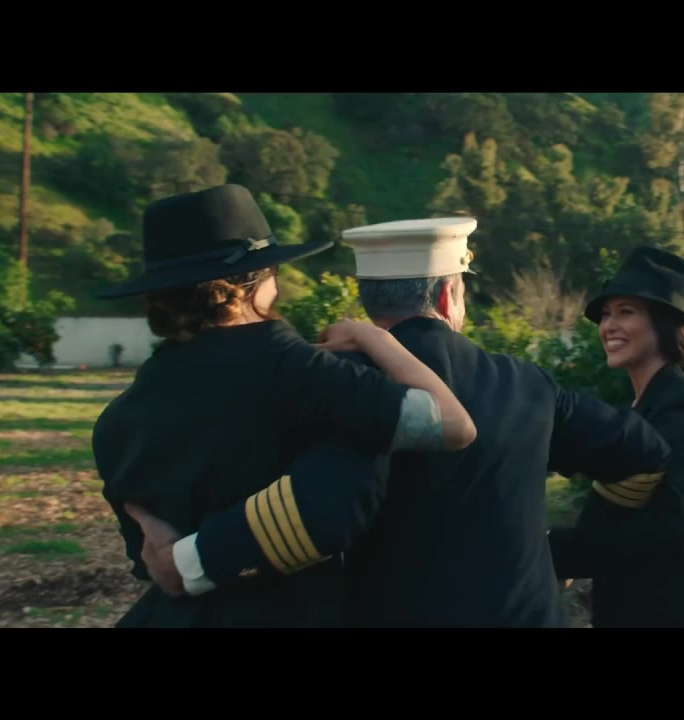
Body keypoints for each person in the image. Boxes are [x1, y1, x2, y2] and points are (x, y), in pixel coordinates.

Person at [126, 217, 674, 628]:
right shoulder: (527, 383)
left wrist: (189, 560)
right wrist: (561, 550)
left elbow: (311, 512)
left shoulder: (345, 385)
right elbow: (643, 457)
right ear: (449, 294)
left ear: (368, 299)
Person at [91, 185, 476, 628]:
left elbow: (148, 561)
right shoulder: (291, 367)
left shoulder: (116, 420)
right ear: (255, 283)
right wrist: (373, 338)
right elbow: (452, 425)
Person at [547, 246, 684, 627]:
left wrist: (553, 549)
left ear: (664, 324)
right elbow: (619, 507)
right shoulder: (645, 404)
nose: (609, 325)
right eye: (606, 314)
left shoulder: (679, 406)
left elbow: (667, 530)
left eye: (626, 312)